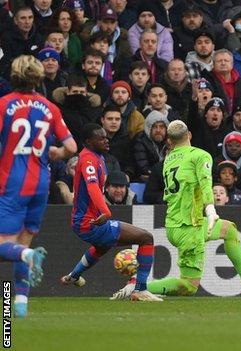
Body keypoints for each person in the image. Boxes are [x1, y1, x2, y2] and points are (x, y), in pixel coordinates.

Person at [112, 120, 241, 297]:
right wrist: (211, 211)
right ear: (189, 135)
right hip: (189, 228)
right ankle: (139, 286)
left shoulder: (168, 160)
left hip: (176, 223)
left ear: (170, 141)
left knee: (229, 230)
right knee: (189, 286)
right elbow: (206, 184)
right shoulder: (200, 155)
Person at [0, 55, 77, 317]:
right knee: (24, 244)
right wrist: (55, 152)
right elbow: (71, 148)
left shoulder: (4, 105)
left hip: (11, 183)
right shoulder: (49, 107)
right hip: (40, 184)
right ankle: (19, 304)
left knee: (9, 248)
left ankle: (27, 257)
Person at [61, 123, 160, 301]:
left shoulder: (97, 156)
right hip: (89, 221)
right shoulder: (89, 160)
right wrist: (105, 211)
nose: (106, 140)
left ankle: (74, 275)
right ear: (88, 142)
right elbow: (92, 187)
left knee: (102, 246)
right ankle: (140, 290)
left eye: (106, 137)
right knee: (146, 238)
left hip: (84, 221)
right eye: (101, 138)